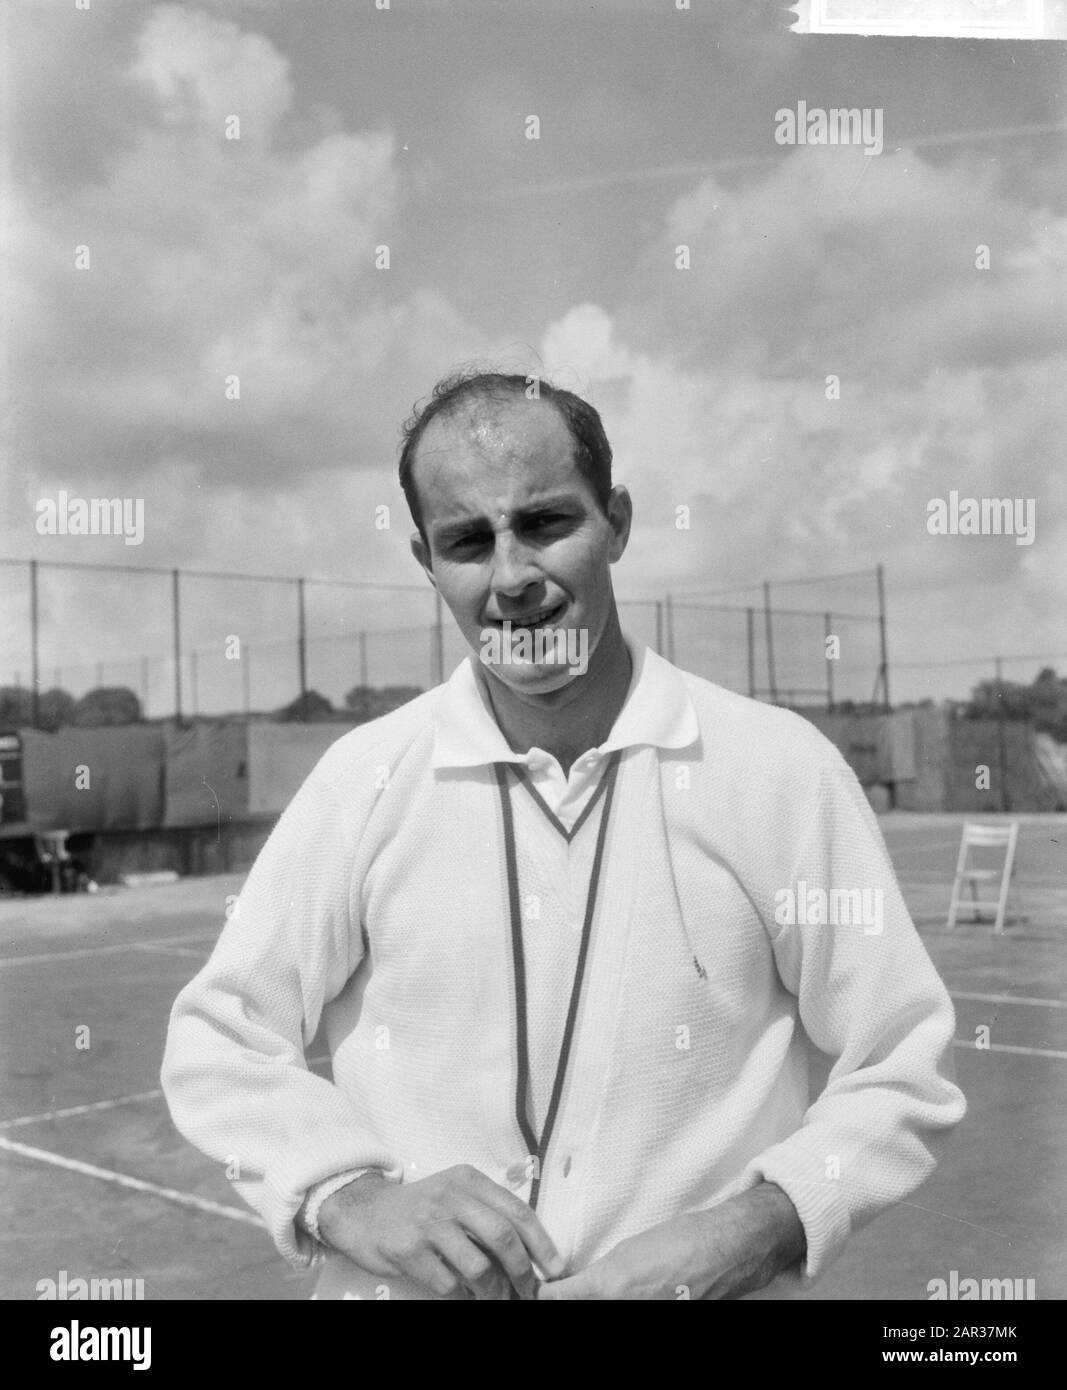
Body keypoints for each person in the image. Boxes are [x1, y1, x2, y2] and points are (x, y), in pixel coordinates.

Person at [161, 369, 966, 1300]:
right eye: (468, 541)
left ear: (615, 521)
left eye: (545, 522)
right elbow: (219, 1035)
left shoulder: (777, 770)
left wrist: (758, 1228)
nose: (512, 578)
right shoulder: (363, 779)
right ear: (428, 563)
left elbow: (904, 1063)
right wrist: (347, 1195)